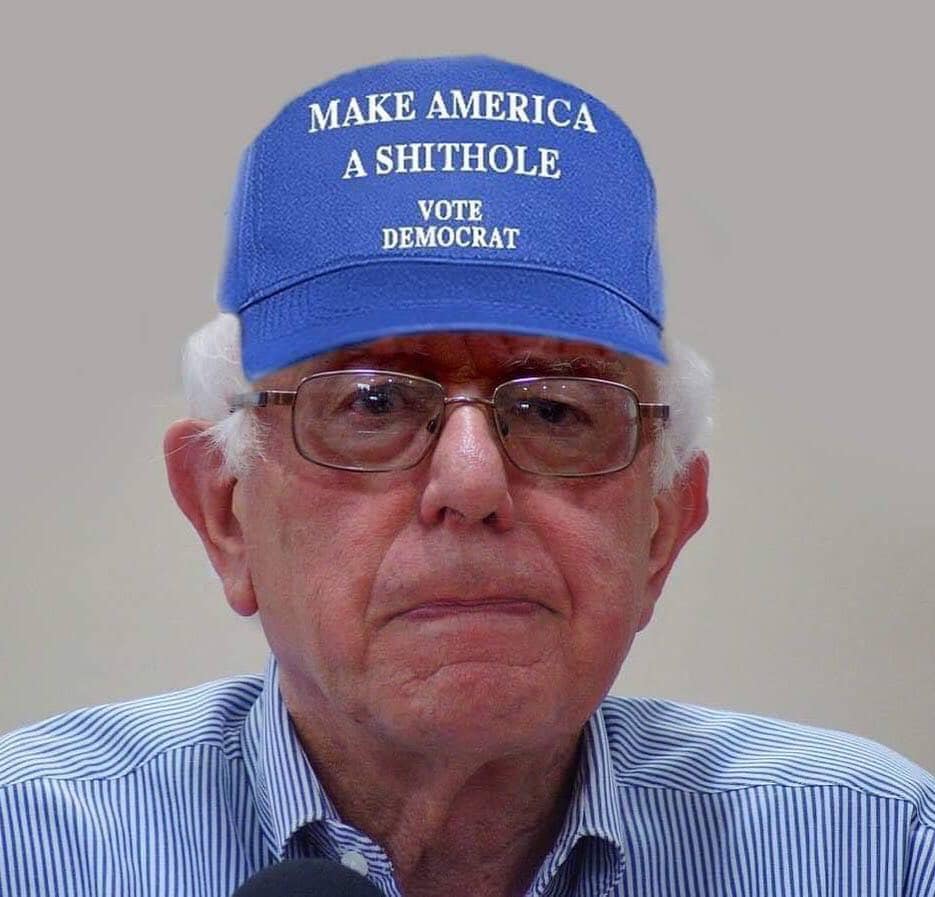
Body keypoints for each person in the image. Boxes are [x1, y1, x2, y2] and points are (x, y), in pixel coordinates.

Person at [0, 55, 932, 897]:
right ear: (225, 513)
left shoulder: (875, 851)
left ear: (661, 527)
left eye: (557, 410)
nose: (473, 481)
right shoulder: (31, 848)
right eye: (372, 403)